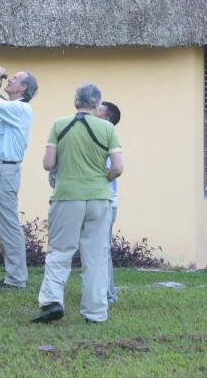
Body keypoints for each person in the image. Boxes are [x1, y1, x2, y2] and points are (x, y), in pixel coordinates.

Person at [33, 83, 123, 324]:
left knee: (60, 251)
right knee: (95, 255)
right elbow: (118, 167)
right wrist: (103, 178)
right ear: (97, 104)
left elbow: (48, 164)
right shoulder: (107, 128)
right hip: (99, 197)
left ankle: (52, 301)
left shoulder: (59, 125)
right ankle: (95, 312)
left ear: (76, 102)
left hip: (66, 196)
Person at [0, 67, 38, 289]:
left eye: (15, 79)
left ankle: (16, 278)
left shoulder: (21, 109)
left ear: (24, 88)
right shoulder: (11, 109)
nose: (9, 79)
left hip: (4, 171)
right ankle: (13, 275)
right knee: (3, 223)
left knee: (8, 225)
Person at [97, 101, 122, 304]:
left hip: (106, 204)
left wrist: (98, 179)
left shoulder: (107, 139)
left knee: (101, 249)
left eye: (97, 111)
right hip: (100, 202)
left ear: (105, 119)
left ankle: (108, 294)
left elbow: (115, 169)